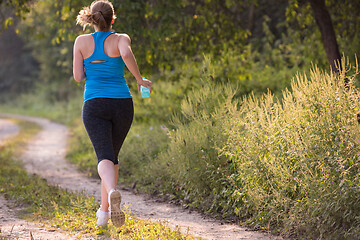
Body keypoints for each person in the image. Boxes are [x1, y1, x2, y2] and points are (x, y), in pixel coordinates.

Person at [73, 0, 152, 227]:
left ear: (92, 18)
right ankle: (103, 214)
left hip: (95, 104)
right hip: (122, 104)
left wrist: (93, 64)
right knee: (112, 158)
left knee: (104, 158)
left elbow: (78, 77)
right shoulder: (121, 38)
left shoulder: (81, 42)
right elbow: (126, 53)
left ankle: (112, 193)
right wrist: (139, 79)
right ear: (112, 19)